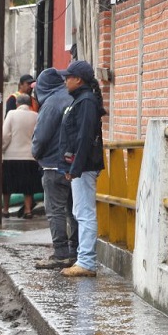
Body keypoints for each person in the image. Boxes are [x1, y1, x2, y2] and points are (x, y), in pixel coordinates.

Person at [57, 60, 106, 277]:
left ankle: (86, 262)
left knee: (84, 213)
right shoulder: (81, 100)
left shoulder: (85, 101)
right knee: (80, 212)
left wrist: (75, 167)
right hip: (80, 166)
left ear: (78, 79)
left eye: (68, 77)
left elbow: (84, 137)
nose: (65, 80)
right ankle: (83, 259)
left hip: (84, 166)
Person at [31, 68, 79, 269]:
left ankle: (60, 254)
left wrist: (36, 153)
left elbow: (41, 137)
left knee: (55, 210)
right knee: (74, 210)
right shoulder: (73, 98)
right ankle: (76, 251)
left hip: (53, 165)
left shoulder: (51, 103)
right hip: (75, 165)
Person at [1, 93, 42, 218]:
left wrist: (2, 149)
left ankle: (5, 210)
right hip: (30, 157)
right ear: (30, 104)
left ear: (17, 104)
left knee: (7, 186)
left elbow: (5, 135)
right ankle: (28, 210)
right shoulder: (36, 116)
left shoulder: (11, 114)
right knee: (28, 187)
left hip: (11, 156)